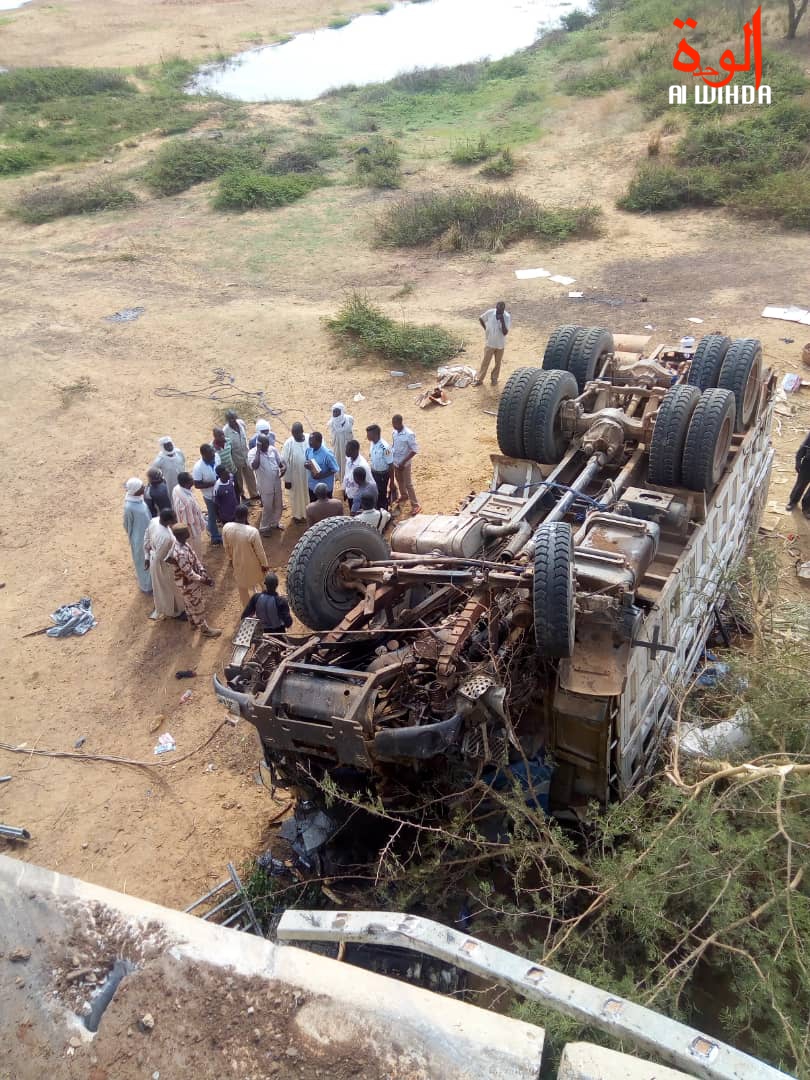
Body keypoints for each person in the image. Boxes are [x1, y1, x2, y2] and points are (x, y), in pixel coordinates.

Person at [165, 525, 221, 638]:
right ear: (182, 535)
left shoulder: (183, 543)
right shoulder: (180, 554)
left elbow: (194, 558)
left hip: (189, 582)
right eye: (187, 531)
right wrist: (204, 580)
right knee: (197, 605)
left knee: (189, 603)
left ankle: (192, 623)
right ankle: (204, 629)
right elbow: (189, 573)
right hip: (188, 584)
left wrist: (202, 570)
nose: (189, 532)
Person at [222, 504, 269, 607]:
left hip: (237, 563)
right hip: (253, 565)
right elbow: (260, 551)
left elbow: (226, 547)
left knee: (242, 587)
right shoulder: (252, 531)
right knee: (262, 582)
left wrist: (231, 559)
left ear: (235, 514)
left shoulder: (226, 527)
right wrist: (264, 564)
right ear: (246, 516)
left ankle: (247, 609)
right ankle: (267, 602)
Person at [144, 507, 184, 620]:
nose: (176, 520)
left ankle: (171, 608)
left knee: (163, 588)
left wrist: (146, 557)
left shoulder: (154, 521)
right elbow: (162, 557)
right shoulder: (165, 536)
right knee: (170, 588)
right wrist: (179, 563)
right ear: (167, 521)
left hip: (154, 560)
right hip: (162, 566)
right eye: (174, 519)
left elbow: (146, 536)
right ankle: (176, 612)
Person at [250, 434, 286, 536]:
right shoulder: (252, 453)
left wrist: (283, 468)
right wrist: (258, 450)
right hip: (265, 486)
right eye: (264, 445)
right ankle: (264, 527)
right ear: (259, 445)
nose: (267, 447)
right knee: (268, 507)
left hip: (276, 483)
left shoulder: (272, 450)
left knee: (278, 505)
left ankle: (275, 523)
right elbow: (254, 465)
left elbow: (280, 463)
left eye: (267, 444)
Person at [123, 478, 153, 595]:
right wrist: (136, 536)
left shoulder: (139, 499)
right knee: (143, 561)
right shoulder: (129, 507)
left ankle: (153, 583)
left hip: (148, 534)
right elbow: (127, 524)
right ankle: (146, 586)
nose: (144, 488)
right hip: (139, 538)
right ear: (135, 490)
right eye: (141, 487)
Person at [224, 409, 258, 501]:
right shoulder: (225, 432)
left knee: (250, 476)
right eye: (230, 419)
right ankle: (242, 495)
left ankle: (254, 494)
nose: (233, 421)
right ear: (227, 420)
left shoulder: (241, 424)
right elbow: (227, 449)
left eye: (234, 418)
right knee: (238, 479)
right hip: (235, 459)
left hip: (246, 456)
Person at [192, 443, 222, 545]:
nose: (213, 454)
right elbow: (197, 484)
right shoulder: (198, 467)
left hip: (220, 492)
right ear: (203, 455)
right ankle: (214, 536)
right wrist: (212, 483)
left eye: (213, 452)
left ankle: (212, 526)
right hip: (209, 496)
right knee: (212, 515)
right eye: (210, 453)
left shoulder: (216, 457)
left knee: (220, 512)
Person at [476, 300, 511, 387]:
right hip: (490, 343)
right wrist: (486, 329)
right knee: (485, 362)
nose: (499, 311)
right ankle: (480, 379)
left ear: (504, 309)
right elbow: (481, 318)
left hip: (500, 345)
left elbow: (505, 332)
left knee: (497, 363)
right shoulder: (490, 313)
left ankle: (494, 379)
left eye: (501, 310)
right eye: (498, 309)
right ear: (496, 308)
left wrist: (502, 320)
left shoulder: (506, 316)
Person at [391, 414, 421, 515]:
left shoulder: (409, 434)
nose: (393, 425)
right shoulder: (394, 432)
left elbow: (414, 450)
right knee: (399, 479)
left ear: (400, 423)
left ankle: (415, 505)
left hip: (405, 464)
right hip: (396, 461)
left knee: (408, 484)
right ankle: (404, 495)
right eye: (392, 423)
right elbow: (394, 445)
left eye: (395, 423)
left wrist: (403, 462)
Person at [172, 472, 207, 557]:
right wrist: (193, 534)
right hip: (192, 530)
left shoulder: (176, 488)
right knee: (195, 549)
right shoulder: (186, 502)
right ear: (186, 483)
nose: (194, 480)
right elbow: (188, 522)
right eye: (191, 479)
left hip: (189, 524)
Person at [281, 422, 310, 523]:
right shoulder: (288, 443)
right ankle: (297, 516)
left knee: (308, 494)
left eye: (297, 433)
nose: (295, 435)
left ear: (302, 431)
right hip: (295, 476)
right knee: (296, 496)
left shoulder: (309, 439)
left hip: (308, 476)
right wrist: (287, 480)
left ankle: (309, 514)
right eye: (293, 433)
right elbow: (284, 462)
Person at [366, 423, 394, 510]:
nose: (367, 436)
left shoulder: (385, 448)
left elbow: (391, 464)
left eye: (369, 434)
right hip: (374, 472)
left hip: (382, 475)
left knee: (382, 494)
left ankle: (384, 512)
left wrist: (392, 482)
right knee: (375, 492)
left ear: (375, 434)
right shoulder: (372, 443)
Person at [305, 432, 339, 500]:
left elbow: (335, 469)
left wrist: (321, 476)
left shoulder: (327, 454)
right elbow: (307, 461)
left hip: (324, 490)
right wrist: (306, 466)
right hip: (312, 486)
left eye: (312, 441)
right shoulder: (308, 450)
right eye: (309, 440)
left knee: (326, 509)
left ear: (319, 442)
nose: (310, 442)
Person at [343, 439, 373, 508]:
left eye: (348, 449)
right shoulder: (348, 460)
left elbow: (369, 482)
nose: (346, 451)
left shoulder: (363, 466)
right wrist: (345, 489)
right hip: (350, 493)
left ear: (355, 450)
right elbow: (346, 475)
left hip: (360, 497)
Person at [328, 403, 354, 481]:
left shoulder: (349, 419)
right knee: (338, 460)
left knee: (347, 461)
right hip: (337, 446)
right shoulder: (331, 423)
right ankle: (339, 477)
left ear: (342, 411)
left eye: (337, 412)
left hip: (346, 446)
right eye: (334, 412)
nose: (335, 414)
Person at [786, 431, 810, 514]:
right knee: (801, 483)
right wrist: (798, 460)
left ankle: (807, 507)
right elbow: (804, 446)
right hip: (808, 463)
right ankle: (793, 501)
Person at [212, 427, 240, 497]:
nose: (222, 437)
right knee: (228, 491)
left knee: (236, 489)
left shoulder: (228, 441)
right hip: (224, 475)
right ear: (215, 437)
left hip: (233, 470)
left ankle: (238, 503)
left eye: (223, 434)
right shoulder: (212, 448)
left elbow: (230, 453)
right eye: (220, 435)